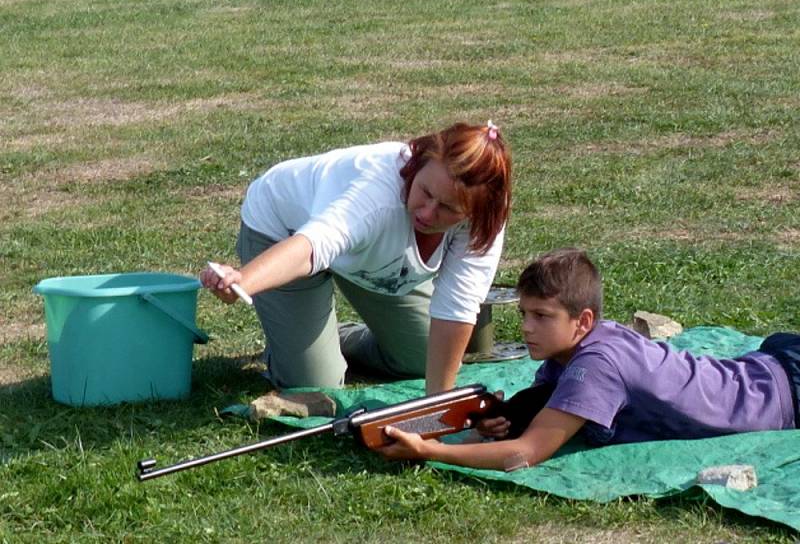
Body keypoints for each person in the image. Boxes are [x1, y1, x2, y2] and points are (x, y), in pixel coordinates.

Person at [377, 248, 799, 471]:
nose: (525, 328)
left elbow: (524, 453)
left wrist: (430, 452)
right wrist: (503, 417)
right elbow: (541, 404)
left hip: (789, 390)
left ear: (583, 320)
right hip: (768, 364)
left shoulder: (593, 366)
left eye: (542, 316)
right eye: (524, 313)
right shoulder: (576, 349)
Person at [200, 121, 512, 393]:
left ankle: (333, 338)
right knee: (316, 385)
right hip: (285, 232)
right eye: (425, 193)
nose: (428, 212)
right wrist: (244, 281)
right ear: (417, 166)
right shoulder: (375, 193)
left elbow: (459, 305)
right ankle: (290, 346)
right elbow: (314, 245)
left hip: (366, 255)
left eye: (447, 209)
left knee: (429, 359)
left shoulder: (485, 218)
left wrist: (437, 405)